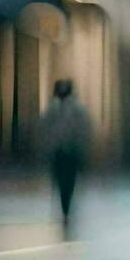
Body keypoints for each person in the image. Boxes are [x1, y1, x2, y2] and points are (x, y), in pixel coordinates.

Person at [39, 79, 91, 221]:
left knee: (67, 180)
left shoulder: (75, 109)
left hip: (70, 150)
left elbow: (82, 130)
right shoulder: (52, 109)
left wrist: (80, 147)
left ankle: (66, 205)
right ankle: (64, 204)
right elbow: (45, 130)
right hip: (59, 151)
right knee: (61, 179)